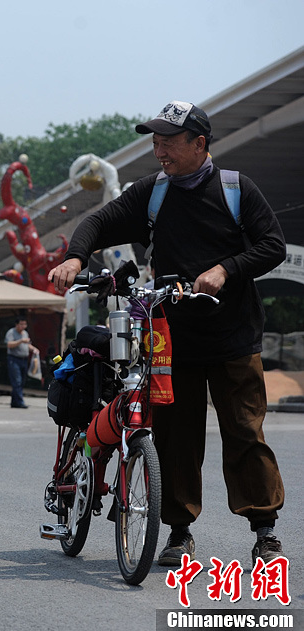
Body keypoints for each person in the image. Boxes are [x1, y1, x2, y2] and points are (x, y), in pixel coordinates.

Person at [48, 100, 286, 567]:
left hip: (235, 338)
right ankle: (178, 534)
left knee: (244, 432)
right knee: (176, 437)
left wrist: (225, 269)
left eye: (168, 142)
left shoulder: (237, 189)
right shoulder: (152, 193)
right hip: (172, 341)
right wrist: (77, 256)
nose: (159, 151)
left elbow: (272, 245)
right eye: (155, 142)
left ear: (199, 143)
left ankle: (266, 531)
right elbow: (100, 221)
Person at [5, 317, 34, 408]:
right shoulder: (11, 332)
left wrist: (33, 349)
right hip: (14, 359)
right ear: (16, 324)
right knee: (17, 381)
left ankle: (14, 402)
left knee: (22, 382)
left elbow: (27, 345)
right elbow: (9, 344)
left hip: (24, 359)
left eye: (24, 324)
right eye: (21, 324)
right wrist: (21, 341)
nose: (23, 326)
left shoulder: (25, 333)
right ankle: (20, 402)